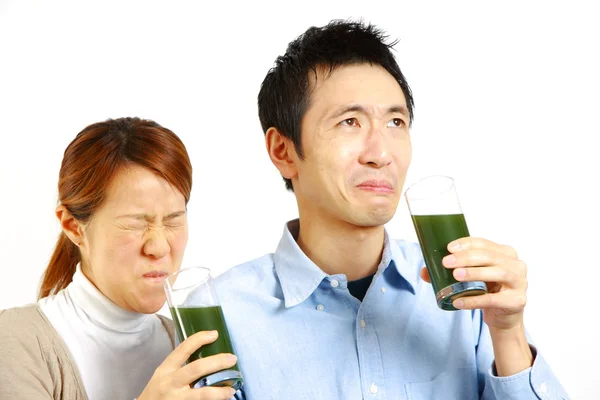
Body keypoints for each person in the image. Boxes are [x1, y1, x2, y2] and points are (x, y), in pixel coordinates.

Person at [211, 20, 570, 399]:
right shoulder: (222, 314)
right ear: (283, 151)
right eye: (350, 122)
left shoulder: (467, 294)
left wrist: (508, 330)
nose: (382, 154)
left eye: (396, 122)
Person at [0, 117, 238, 400]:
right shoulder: (17, 341)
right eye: (136, 223)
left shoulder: (188, 344)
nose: (159, 247)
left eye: (174, 220)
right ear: (73, 227)